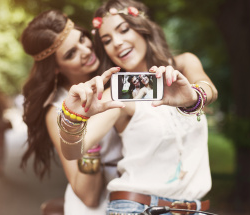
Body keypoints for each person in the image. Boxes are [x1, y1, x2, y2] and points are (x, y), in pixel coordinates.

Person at [59, 0, 218, 214]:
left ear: (143, 28)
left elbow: (210, 91)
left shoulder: (184, 64)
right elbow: (72, 151)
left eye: (123, 29)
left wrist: (192, 97)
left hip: (195, 208)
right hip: (137, 207)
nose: (116, 42)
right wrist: (74, 118)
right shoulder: (118, 95)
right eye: (106, 40)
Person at [19, 10, 123, 214]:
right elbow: (88, 196)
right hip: (100, 205)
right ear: (56, 68)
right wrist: (86, 133)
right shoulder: (57, 113)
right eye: (71, 53)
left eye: (83, 39)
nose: (85, 50)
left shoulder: (116, 73)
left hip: (143, 189)